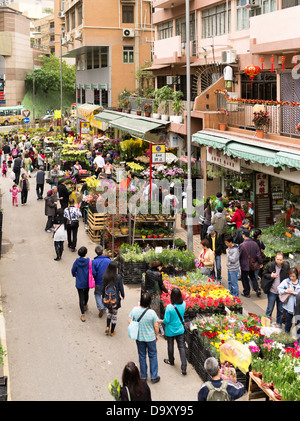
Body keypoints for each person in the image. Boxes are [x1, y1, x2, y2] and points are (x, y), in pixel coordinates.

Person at [128, 291, 160, 383]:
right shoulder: (152, 313)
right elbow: (156, 326)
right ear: (149, 302)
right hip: (151, 338)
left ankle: (143, 376)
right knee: (153, 355)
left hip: (139, 337)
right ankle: (154, 376)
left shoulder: (135, 310)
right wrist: (156, 335)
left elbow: (129, 321)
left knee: (142, 356)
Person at [162, 287, 187, 375]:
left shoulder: (169, 307)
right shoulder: (184, 304)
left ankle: (171, 361)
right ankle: (184, 367)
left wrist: (161, 321)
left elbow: (166, 321)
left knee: (170, 344)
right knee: (181, 347)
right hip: (180, 329)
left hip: (170, 330)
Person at [261, 251, 290, 327]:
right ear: (275, 258)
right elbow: (264, 274)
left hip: (281, 292)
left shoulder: (286, 267)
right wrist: (271, 275)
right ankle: (266, 324)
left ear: (283, 260)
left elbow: (288, 278)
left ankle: (278, 326)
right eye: (277, 259)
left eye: (280, 260)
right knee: (269, 309)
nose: (279, 261)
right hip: (272, 291)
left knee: (280, 310)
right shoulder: (271, 265)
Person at [101, 261, 125, 336]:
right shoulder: (118, 277)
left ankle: (107, 326)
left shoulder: (105, 276)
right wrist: (123, 295)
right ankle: (112, 331)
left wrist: (103, 296)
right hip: (115, 299)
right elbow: (121, 287)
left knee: (109, 312)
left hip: (107, 298)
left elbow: (103, 288)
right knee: (114, 315)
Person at [239, 230, 263, 298]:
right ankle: (257, 289)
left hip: (244, 265)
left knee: (245, 278)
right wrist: (260, 262)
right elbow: (258, 255)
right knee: (253, 276)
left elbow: (239, 255)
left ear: (244, 235)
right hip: (252, 264)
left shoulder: (242, 245)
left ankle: (247, 292)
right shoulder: (254, 244)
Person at [278, 267, 300, 334]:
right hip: (288, 307)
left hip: (298, 308)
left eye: (293, 276)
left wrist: (296, 294)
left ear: (297, 275)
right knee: (288, 323)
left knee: (298, 325)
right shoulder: (286, 281)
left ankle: (297, 340)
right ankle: (286, 336)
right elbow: (279, 289)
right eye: (290, 276)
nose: (291, 278)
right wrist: (285, 290)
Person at [71, 246, 90, 322]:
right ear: (86, 253)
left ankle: (83, 314)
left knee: (80, 297)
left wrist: (75, 275)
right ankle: (85, 304)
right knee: (86, 294)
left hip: (79, 282)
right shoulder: (89, 261)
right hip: (87, 281)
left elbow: (73, 270)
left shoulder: (77, 261)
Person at [92, 245, 111, 318]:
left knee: (97, 294)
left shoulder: (94, 261)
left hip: (98, 281)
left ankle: (100, 307)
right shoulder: (108, 260)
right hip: (107, 281)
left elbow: (93, 272)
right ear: (103, 252)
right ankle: (104, 308)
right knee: (105, 294)